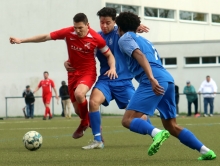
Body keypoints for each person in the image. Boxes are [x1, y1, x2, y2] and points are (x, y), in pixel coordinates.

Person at [115, 11, 216, 160]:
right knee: (171, 125)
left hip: (153, 79)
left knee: (127, 120)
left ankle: (156, 133)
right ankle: (206, 151)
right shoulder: (145, 40)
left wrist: (150, 78)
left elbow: (140, 56)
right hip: (167, 79)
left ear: (120, 29)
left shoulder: (124, 38)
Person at [9, 13, 117, 132]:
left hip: (88, 73)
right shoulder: (68, 32)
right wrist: (21, 40)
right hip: (72, 74)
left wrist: (112, 68)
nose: (77, 31)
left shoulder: (96, 38)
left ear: (88, 25)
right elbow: (45, 37)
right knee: (78, 111)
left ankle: (88, 124)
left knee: (80, 94)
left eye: (80, 28)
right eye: (75, 27)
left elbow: (109, 55)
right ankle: (91, 123)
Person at [64, 8, 150, 149]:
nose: (104, 26)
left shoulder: (122, 33)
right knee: (93, 102)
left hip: (123, 81)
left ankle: (153, 132)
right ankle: (98, 140)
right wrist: (67, 61)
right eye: (102, 22)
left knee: (138, 113)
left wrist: (134, 27)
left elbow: (129, 28)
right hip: (105, 80)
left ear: (115, 22)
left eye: (108, 23)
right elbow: (82, 53)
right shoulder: (96, 37)